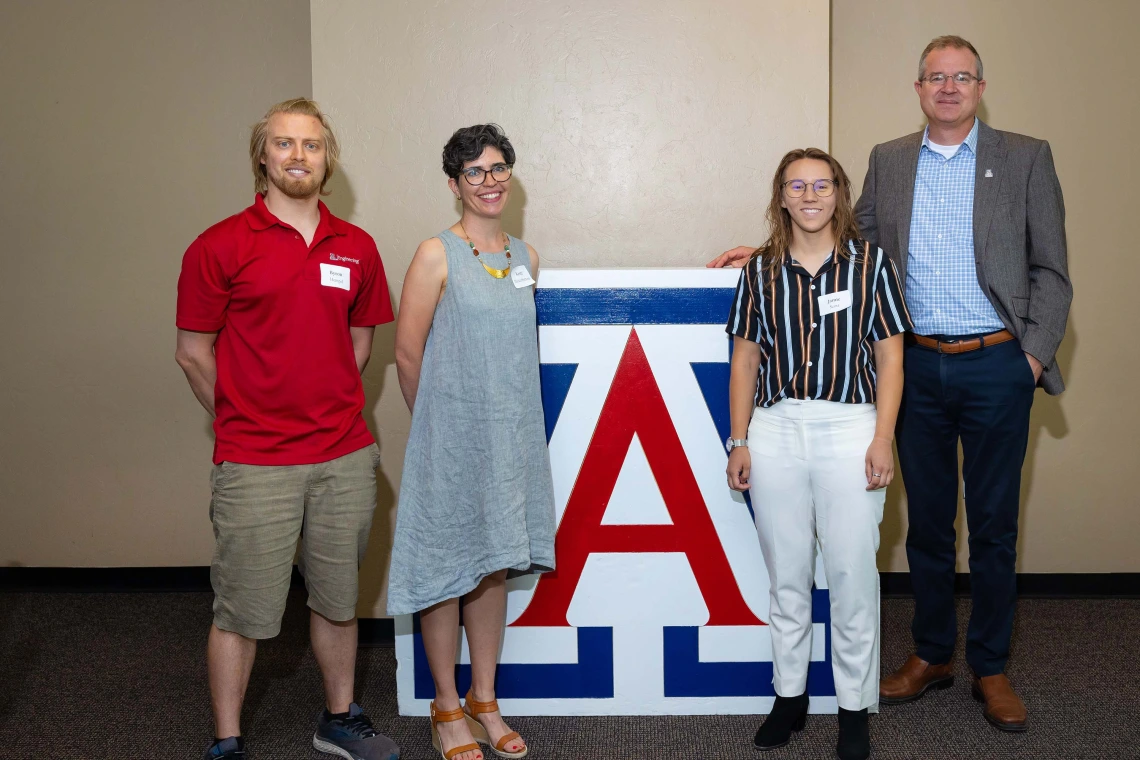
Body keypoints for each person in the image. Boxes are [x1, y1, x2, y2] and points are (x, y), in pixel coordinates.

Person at [710, 36, 1072, 733]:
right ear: (918, 88)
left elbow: (1052, 271)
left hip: (998, 362)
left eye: (961, 77)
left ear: (980, 85)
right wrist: (761, 254)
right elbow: (845, 239)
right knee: (927, 526)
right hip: (913, 369)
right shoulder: (891, 160)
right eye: (935, 77)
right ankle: (933, 653)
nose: (948, 87)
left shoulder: (1025, 157)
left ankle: (990, 667)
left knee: (994, 526)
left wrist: (1029, 358)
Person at [176, 98, 400, 760]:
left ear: (327, 158)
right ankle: (227, 740)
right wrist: (246, 414)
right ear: (263, 156)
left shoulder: (356, 248)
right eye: (284, 144)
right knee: (242, 611)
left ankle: (338, 718)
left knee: (336, 600)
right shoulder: (218, 245)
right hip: (254, 460)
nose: (298, 155)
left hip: (343, 455)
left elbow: (359, 344)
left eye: (311, 144)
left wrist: (320, 403)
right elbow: (193, 352)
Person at [726, 147, 912, 760]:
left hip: (851, 428)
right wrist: (741, 438)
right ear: (780, 196)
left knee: (852, 574)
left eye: (822, 185)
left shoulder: (871, 265)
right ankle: (790, 698)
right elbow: (746, 359)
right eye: (796, 186)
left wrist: (882, 438)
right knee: (786, 576)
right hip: (776, 429)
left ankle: (854, 707)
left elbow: (890, 359)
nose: (810, 196)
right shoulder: (760, 270)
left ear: (840, 193)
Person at [388, 124, 556, 760]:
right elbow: (407, 354)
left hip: (509, 442)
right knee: (443, 570)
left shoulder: (526, 257)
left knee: (493, 564)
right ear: (455, 182)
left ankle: (485, 699)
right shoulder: (436, 254)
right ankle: (446, 706)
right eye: (475, 172)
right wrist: (438, 425)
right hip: (449, 441)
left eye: (498, 168)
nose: (490, 181)